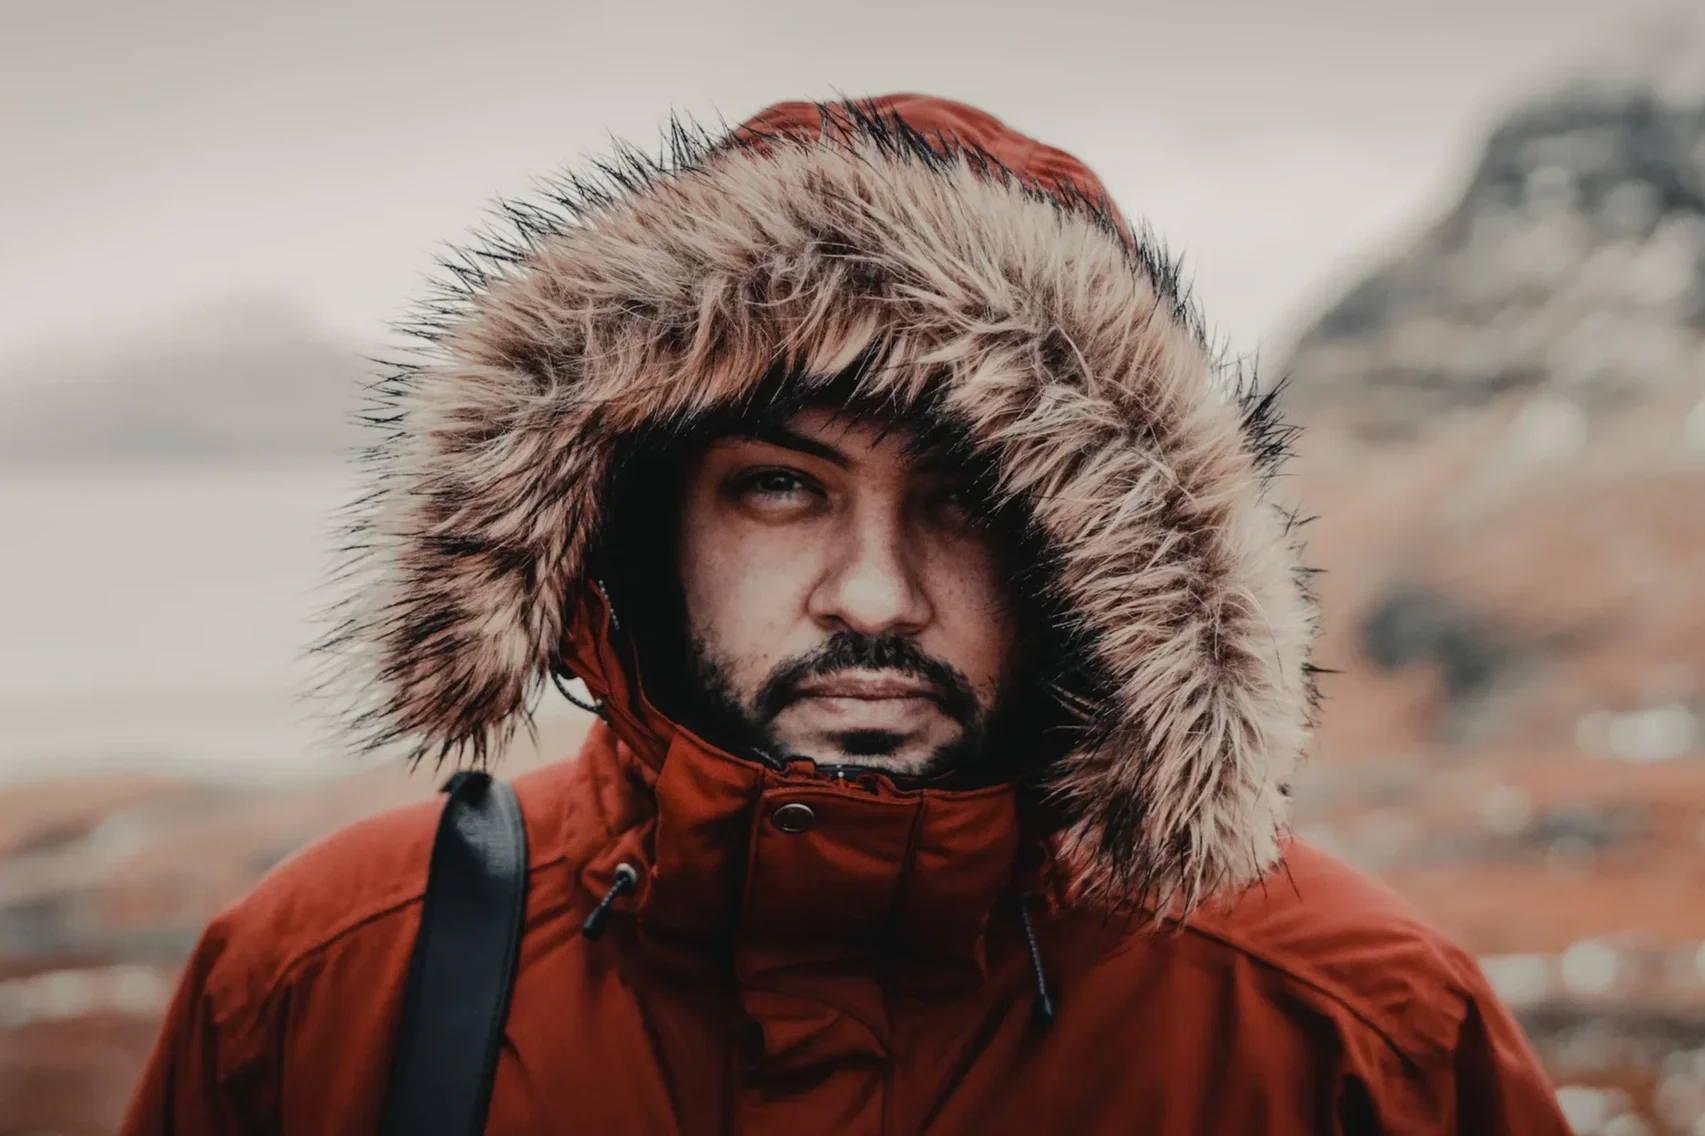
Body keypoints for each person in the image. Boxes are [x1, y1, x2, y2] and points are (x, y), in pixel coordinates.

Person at [121, 94, 1570, 1134]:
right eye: (777, 489)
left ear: (1096, 557)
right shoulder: (325, 983)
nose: (874, 594)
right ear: (631, 525)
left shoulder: (1351, 1036)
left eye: (968, 502)